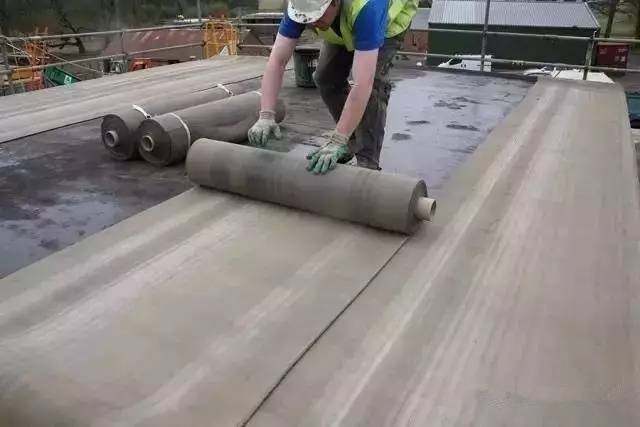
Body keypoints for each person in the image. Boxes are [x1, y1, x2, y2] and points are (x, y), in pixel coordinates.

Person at [247, 0, 418, 174]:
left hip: (387, 24)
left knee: (372, 85)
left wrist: (338, 139)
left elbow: (362, 84)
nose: (312, 23)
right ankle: (349, 142)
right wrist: (266, 115)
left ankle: (367, 162)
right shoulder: (301, 5)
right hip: (343, 22)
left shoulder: (367, 8)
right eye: (308, 19)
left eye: (317, 16)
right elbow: (277, 61)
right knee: (325, 77)